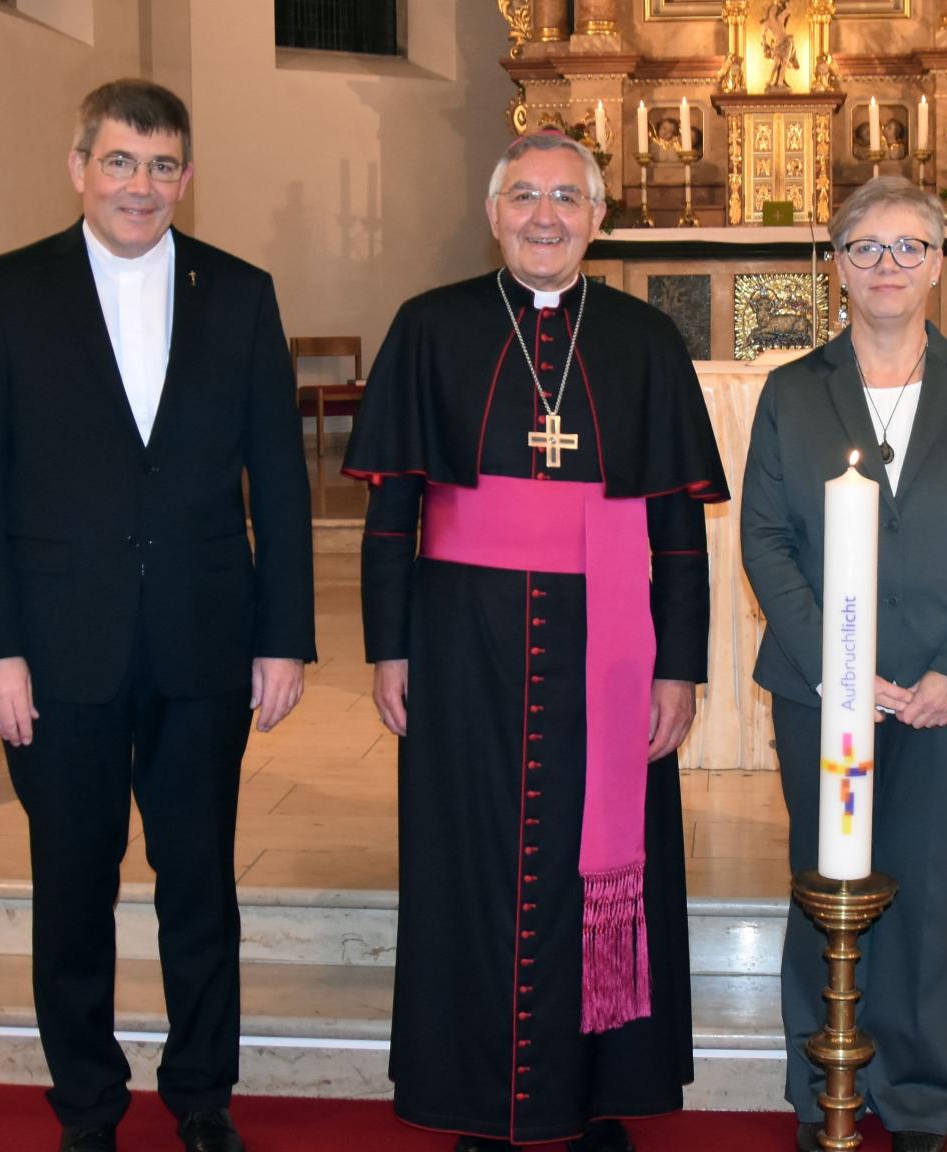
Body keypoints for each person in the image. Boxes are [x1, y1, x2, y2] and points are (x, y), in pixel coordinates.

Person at [0, 79, 314, 1152]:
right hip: (57, 651)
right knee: (72, 888)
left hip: (203, 637)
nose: (139, 187)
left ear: (185, 177)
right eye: (118, 162)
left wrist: (282, 633)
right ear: (79, 169)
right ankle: (88, 1108)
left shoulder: (240, 293)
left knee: (199, 880)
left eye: (159, 167)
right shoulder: (9, 291)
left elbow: (278, 482)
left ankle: (201, 1096)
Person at [343, 130, 728, 1152]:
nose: (545, 215)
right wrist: (389, 649)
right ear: (493, 211)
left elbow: (677, 532)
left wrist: (678, 668)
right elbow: (393, 510)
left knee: (604, 868)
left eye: (566, 197)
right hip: (461, 640)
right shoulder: (429, 328)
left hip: (607, 645)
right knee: (467, 861)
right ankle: (479, 1097)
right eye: (524, 196)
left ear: (597, 219)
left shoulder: (643, 342)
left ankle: (595, 1095)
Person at [741, 176, 947, 1152]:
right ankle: (818, 1089)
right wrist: (836, 669)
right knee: (821, 888)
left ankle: (916, 1104)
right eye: (865, 248)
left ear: (938, 267)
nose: (887, 268)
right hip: (824, 693)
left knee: (929, 899)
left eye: (908, 248)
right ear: (834, 267)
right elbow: (766, 544)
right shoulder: (791, 391)